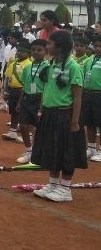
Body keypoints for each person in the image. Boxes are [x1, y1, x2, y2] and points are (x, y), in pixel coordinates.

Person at [31, 30, 87, 202]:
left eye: (49, 43)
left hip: (65, 115)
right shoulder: (51, 64)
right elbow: (47, 90)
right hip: (50, 113)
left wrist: (75, 121)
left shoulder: (73, 67)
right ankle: (53, 184)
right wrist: (42, 110)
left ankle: (65, 189)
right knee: (52, 149)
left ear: (60, 46)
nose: (46, 46)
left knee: (66, 151)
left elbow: (77, 97)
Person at [15, 40, 48, 164]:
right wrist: (19, 102)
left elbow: (47, 87)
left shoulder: (47, 67)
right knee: (23, 125)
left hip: (39, 99)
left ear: (46, 51)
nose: (36, 52)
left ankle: (38, 153)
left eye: (39, 50)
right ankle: (29, 150)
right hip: (27, 99)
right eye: (33, 50)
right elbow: (25, 86)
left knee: (39, 128)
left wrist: (43, 104)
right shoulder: (28, 67)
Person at [2, 42, 32, 143]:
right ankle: (12, 130)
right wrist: (6, 91)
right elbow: (8, 78)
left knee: (23, 112)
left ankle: (27, 134)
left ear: (28, 53)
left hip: (23, 91)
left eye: (22, 51)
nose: (19, 53)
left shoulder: (29, 65)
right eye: (18, 51)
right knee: (13, 111)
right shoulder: (13, 64)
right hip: (13, 91)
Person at [81, 35, 101, 163]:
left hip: (99, 95)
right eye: (96, 46)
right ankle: (91, 148)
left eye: (100, 46)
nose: (98, 48)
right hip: (88, 94)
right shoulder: (89, 60)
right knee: (89, 122)